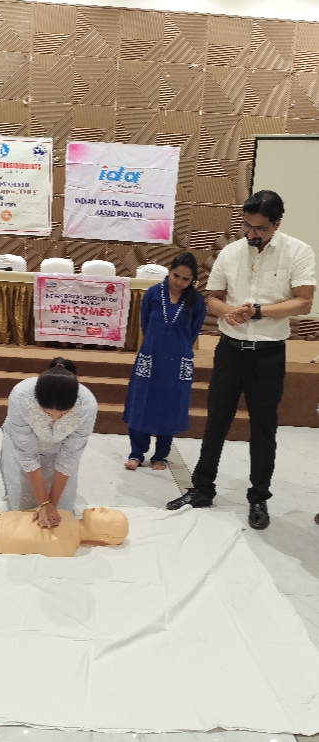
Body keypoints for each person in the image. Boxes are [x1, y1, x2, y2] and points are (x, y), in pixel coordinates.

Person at [167, 190, 316, 529]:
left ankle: (259, 497)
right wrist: (228, 311)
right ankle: (202, 488)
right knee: (216, 420)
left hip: (268, 354)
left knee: (263, 428)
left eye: (259, 228)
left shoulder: (298, 251)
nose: (251, 233)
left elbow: (303, 301)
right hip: (230, 350)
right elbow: (213, 298)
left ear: (277, 224)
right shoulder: (231, 252)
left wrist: (257, 311)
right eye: (247, 225)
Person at [123, 252, 206, 470]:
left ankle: (160, 455)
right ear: (170, 271)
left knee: (171, 404)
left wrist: (177, 346)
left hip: (178, 359)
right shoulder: (152, 293)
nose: (179, 282)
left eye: (185, 279)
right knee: (142, 401)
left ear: (192, 280)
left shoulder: (196, 301)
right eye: (176, 275)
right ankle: (136, 453)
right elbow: (145, 323)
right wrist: (156, 343)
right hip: (151, 355)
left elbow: (193, 331)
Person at [0, 358, 97, 528]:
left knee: (62, 511)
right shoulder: (21, 396)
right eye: (47, 413)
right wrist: (44, 503)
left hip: (60, 449)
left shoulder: (86, 405)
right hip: (23, 446)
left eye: (63, 414)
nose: (55, 419)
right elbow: (27, 455)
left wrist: (51, 504)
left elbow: (70, 457)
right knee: (25, 512)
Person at [0, 506, 129, 556]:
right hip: (1, 518)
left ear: (104, 536)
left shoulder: (66, 547)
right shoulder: (66, 514)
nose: (103, 508)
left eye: (109, 516)